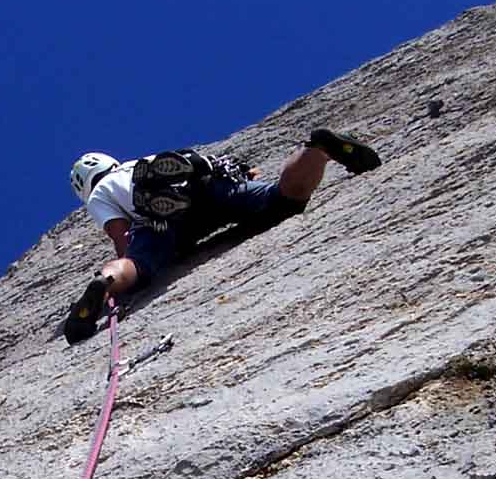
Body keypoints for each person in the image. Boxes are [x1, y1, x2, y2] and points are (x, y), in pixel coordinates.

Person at [64, 129, 381, 343]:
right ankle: (318, 149)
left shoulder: (99, 195)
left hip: (161, 219)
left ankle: (102, 282)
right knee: (283, 199)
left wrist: (119, 279)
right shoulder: (135, 164)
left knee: (138, 263)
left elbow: (120, 237)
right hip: (207, 187)